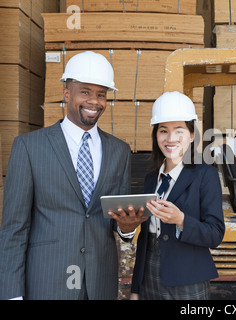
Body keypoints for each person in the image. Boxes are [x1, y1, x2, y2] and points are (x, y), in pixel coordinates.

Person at [0, 51, 147, 300]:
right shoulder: (29, 147)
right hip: (48, 282)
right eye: (85, 92)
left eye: (101, 94)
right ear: (66, 93)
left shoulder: (119, 151)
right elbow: (14, 228)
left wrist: (126, 229)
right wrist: (12, 295)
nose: (94, 101)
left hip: (99, 284)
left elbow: (116, 219)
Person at [130, 91, 225, 300]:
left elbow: (215, 234)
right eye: (163, 131)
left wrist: (181, 220)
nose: (170, 139)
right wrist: (136, 288)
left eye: (179, 131)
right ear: (156, 135)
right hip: (150, 275)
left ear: (192, 135)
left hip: (187, 277)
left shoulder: (205, 175)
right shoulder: (151, 178)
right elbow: (144, 239)